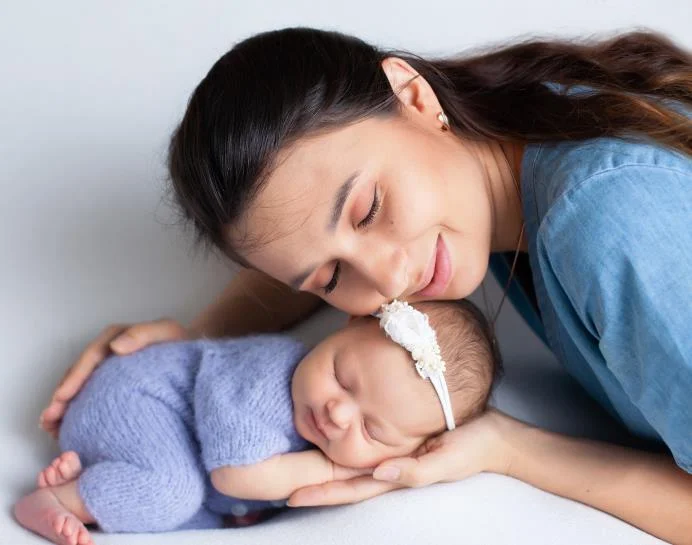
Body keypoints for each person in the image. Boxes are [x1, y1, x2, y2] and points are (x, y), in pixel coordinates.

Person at [39, 27, 691, 544]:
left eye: (366, 209)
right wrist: (194, 334)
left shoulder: (607, 219)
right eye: (330, 276)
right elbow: (309, 243)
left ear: (412, 95)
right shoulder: (513, 132)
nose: (384, 279)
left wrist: (506, 445)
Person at [17, 300, 500, 544]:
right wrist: (334, 471)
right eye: (340, 375)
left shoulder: (320, 420)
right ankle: (59, 499)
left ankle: (98, 477)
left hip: (163, 441)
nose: (337, 413)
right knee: (172, 493)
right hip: (134, 400)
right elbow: (235, 474)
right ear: (347, 326)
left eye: (372, 431)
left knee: (198, 515)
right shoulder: (271, 375)